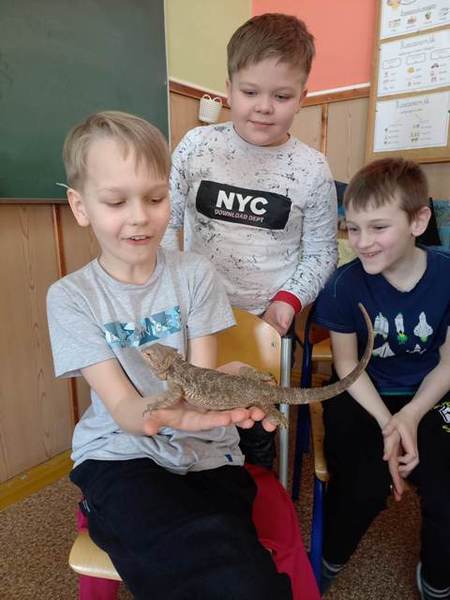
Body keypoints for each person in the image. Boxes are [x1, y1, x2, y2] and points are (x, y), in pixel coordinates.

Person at [46, 110, 316, 599]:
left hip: (208, 449)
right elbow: (124, 406)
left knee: (239, 567)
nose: (139, 216)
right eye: (116, 201)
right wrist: (162, 414)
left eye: (155, 198)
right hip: (122, 452)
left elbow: (203, 375)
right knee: (184, 556)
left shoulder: (195, 274)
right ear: (80, 206)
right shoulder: (70, 297)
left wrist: (230, 385)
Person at [162, 12, 338, 468]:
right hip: (192, 315)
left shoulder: (312, 169)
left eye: (281, 96)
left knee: (255, 431)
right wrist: (167, 290)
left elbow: (322, 252)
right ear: (228, 89)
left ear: (303, 97)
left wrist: (287, 302)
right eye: (250, 92)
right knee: (192, 423)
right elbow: (166, 223)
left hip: (265, 322)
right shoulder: (196, 146)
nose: (264, 107)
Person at [314, 158, 450, 599]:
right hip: (363, 393)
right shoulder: (342, 285)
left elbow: (448, 364)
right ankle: (330, 558)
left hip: (431, 394)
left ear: (418, 221)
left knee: (446, 485)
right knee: (362, 484)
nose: (362, 242)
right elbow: (346, 367)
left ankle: (437, 579)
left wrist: (410, 415)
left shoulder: (447, 275)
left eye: (378, 227)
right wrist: (388, 423)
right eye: (353, 228)